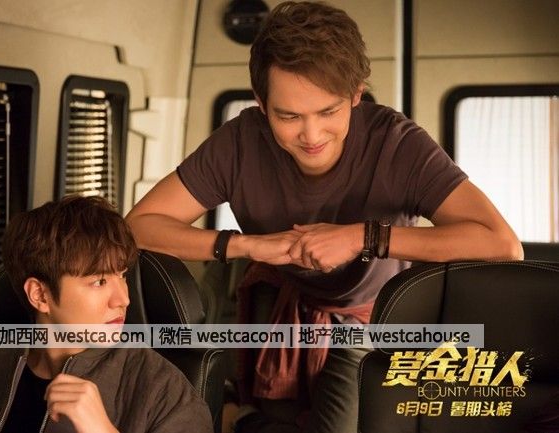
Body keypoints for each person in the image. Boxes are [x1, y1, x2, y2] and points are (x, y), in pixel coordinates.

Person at [126, 2, 522, 432]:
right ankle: (244, 414)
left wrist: (362, 237)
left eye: (329, 112)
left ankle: (239, 416)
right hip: (284, 301)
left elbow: (501, 245)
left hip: (371, 316)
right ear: (261, 103)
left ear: (356, 94)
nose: (311, 136)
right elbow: (137, 226)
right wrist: (247, 245)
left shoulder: (398, 144)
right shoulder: (238, 142)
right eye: (288, 116)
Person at [0, 195, 212, 433]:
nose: (123, 299)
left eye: (122, 275)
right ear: (40, 295)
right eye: (99, 281)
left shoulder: (163, 391)